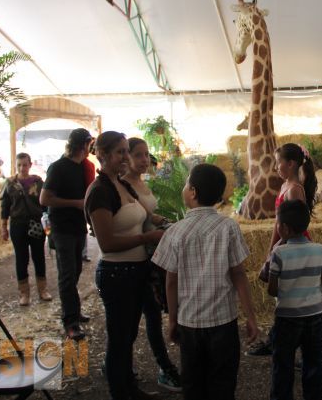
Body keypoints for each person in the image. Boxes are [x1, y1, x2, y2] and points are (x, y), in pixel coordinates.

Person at [152, 163, 259, 400]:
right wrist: (251, 316)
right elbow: (239, 275)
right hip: (224, 324)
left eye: (187, 183)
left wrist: (172, 321)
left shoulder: (175, 232)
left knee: (193, 385)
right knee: (223, 384)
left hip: (189, 324)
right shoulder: (229, 227)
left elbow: (171, 282)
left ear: (193, 192)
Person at [85, 131, 165, 400]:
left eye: (125, 151)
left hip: (136, 271)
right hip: (116, 274)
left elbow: (145, 213)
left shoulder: (122, 185)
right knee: (119, 338)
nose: (125, 157)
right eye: (120, 152)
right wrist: (146, 237)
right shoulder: (99, 192)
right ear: (103, 155)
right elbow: (107, 243)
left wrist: (161, 221)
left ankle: (128, 386)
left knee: (128, 334)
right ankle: (119, 391)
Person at [122, 137, 181, 392]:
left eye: (147, 155)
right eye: (139, 155)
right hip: (136, 257)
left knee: (149, 315)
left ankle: (120, 363)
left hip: (150, 257)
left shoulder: (140, 184)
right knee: (143, 316)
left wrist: (164, 221)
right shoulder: (122, 185)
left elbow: (148, 215)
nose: (145, 160)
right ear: (127, 157)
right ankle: (163, 367)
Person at [248, 142, 317, 356]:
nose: (276, 167)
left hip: (290, 246)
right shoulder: (286, 185)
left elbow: (291, 224)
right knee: (285, 299)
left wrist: (273, 249)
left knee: (288, 297)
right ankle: (280, 341)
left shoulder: (295, 190)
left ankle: (288, 345)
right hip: (284, 243)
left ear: (291, 163)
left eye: (279, 163)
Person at [268, 199, 322, 400]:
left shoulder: (278, 253)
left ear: (285, 229)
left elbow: (272, 290)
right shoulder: (320, 250)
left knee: (283, 365)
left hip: (287, 319)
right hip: (314, 318)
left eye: (277, 223)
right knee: (314, 365)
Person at [40, 128, 93, 341]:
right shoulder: (58, 167)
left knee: (76, 270)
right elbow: (44, 199)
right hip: (61, 228)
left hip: (77, 226)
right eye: (89, 145)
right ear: (83, 145)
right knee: (67, 274)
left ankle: (73, 310)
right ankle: (70, 322)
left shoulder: (83, 167)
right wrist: (75, 204)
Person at [0, 152, 52, 306]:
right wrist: (4, 226)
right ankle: (24, 293)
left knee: (38, 256)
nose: (22, 168)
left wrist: (48, 223)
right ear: (16, 166)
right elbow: (5, 206)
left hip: (35, 223)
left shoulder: (38, 182)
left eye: (25, 164)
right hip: (17, 224)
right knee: (21, 258)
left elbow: (45, 205)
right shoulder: (9, 183)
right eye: (19, 165)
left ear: (30, 165)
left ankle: (43, 290)